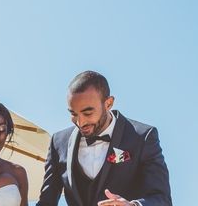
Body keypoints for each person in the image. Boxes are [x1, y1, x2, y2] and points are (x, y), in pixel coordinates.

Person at [37, 71, 172, 206]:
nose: (80, 122)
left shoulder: (142, 137)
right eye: (73, 114)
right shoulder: (58, 143)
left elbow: (162, 199)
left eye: (88, 113)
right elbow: (46, 203)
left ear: (108, 103)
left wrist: (133, 205)